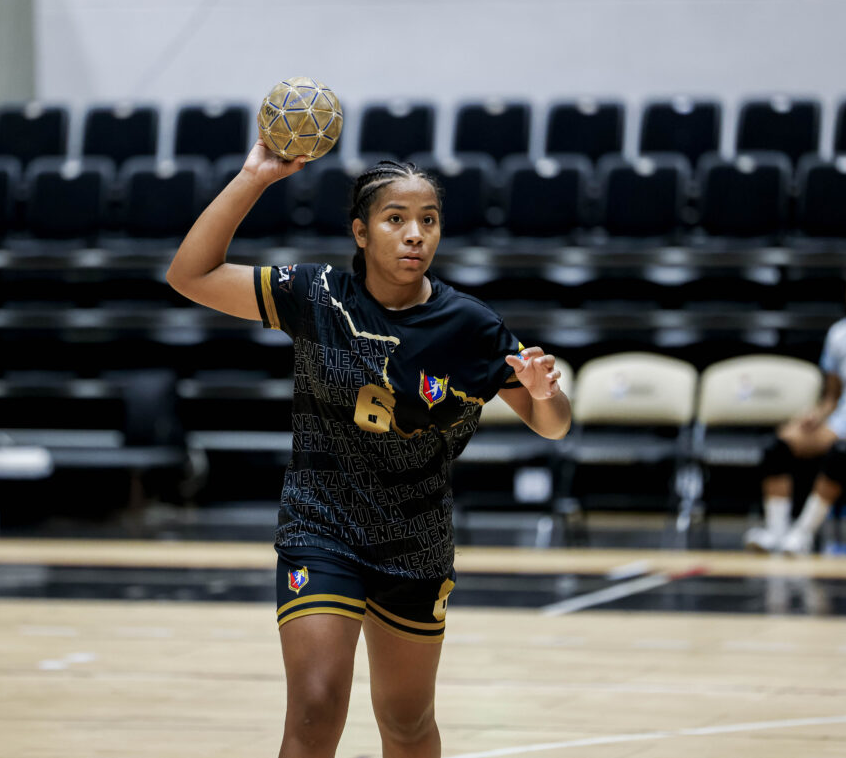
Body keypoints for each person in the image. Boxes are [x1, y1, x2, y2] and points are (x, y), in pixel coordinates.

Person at [166, 140, 571, 757]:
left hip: (415, 537)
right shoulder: (316, 295)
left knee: (407, 721)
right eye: (396, 219)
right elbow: (189, 275)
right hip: (321, 525)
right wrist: (253, 178)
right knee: (315, 706)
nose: (415, 234)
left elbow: (554, 426)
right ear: (361, 232)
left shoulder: (472, 326)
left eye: (428, 220)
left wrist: (545, 394)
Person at [745, 266, 846, 555]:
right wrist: (815, 415)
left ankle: (803, 533)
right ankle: (776, 533)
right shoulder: (840, 335)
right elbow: (832, 396)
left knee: (844, 451)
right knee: (780, 444)